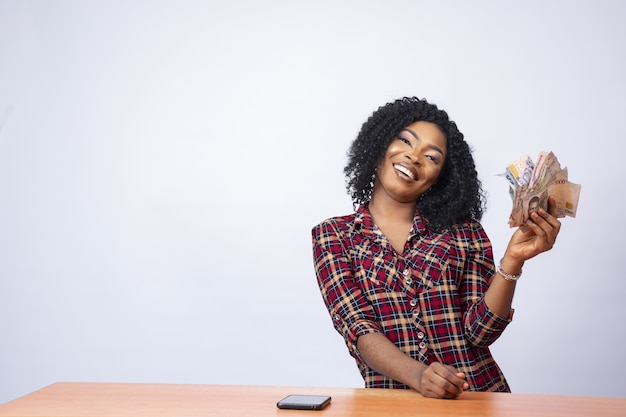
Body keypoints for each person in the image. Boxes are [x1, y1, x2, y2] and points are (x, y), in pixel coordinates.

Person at [311, 97, 561, 399]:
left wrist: (512, 261)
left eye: (432, 157)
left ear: (438, 179)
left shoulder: (464, 233)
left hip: (476, 399)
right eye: (405, 140)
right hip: (392, 405)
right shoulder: (333, 236)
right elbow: (359, 330)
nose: (414, 157)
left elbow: (479, 333)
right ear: (379, 145)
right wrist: (419, 375)